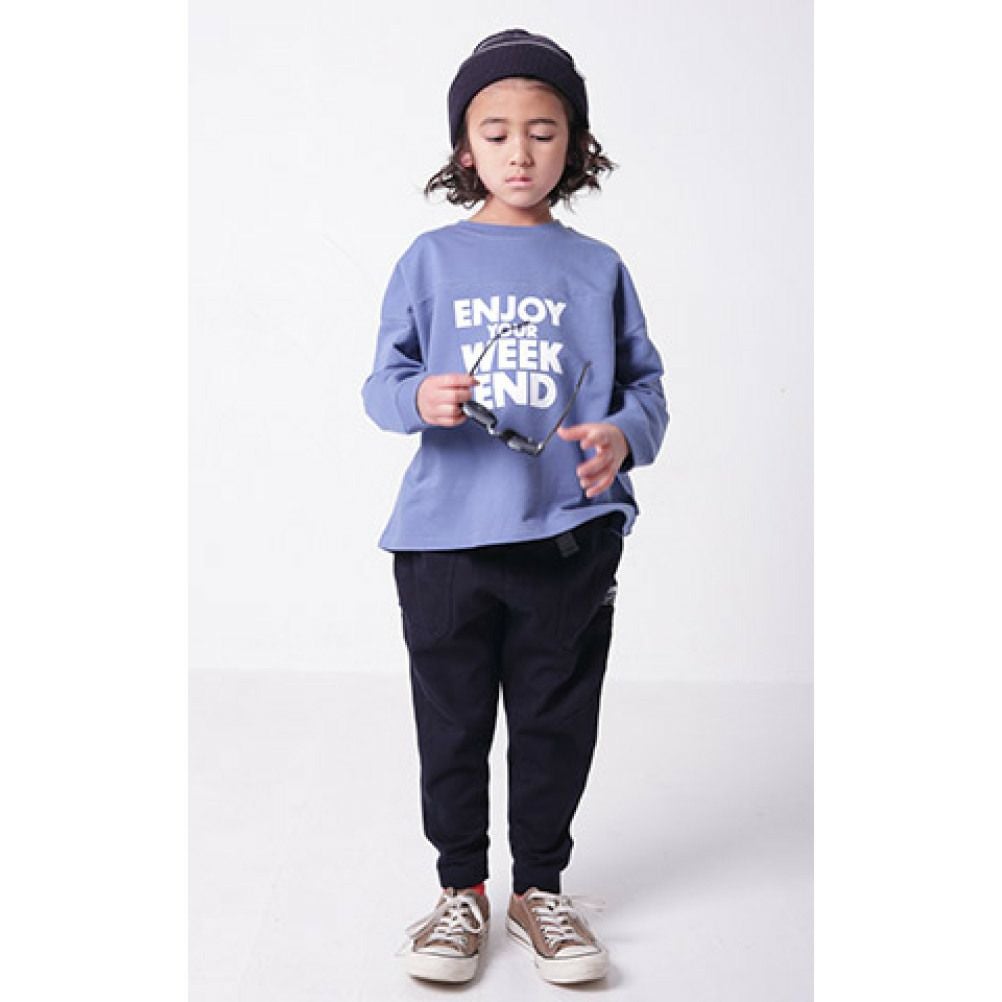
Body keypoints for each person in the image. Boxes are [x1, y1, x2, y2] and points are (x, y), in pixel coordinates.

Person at [362, 28, 669, 986]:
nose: (521, 152)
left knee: (554, 723)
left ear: (575, 146)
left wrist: (621, 435)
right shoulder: (430, 259)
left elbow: (648, 390)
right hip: (445, 541)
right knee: (451, 726)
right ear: (466, 148)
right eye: (496, 133)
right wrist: (419, 397)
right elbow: (381, 384)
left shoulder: (598, 267)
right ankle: (461, 893)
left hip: (569, 537)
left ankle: (541, 890)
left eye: (543, 132)